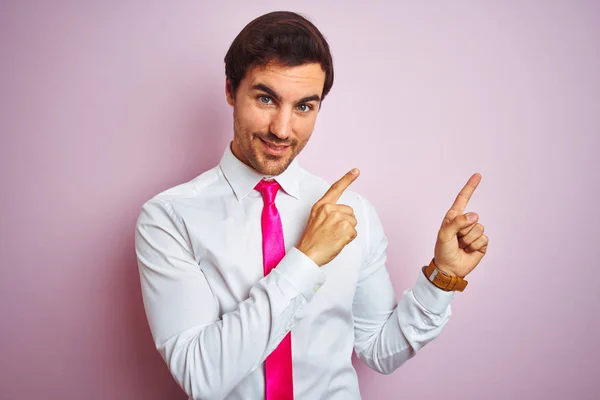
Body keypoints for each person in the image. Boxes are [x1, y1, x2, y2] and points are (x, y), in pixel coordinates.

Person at [135, 10, 489, 400]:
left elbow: (379, 351)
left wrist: (441, 278)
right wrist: (306, 258)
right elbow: (202, 377)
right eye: (266, 98)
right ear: (230, 90)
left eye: (304, 106)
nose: (282, 130)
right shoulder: (169, 218)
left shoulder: (354, 214)